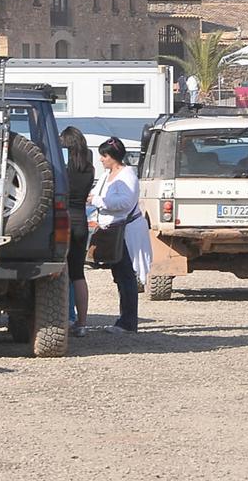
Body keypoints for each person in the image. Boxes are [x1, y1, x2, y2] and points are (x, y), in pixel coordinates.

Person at [89, 136, 151, 333]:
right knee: (120, 275)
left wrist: (97, 201)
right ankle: (125, 318)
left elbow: (124, 202)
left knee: (126, 276)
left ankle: (128, 321)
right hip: (114, 230)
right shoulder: (108, 175)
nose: (101, 159)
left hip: (125, 231)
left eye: (104, 155)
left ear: (112, 157)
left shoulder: (127, 175)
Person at [60, 126, 95, 337]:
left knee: (58, 272)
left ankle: (62, 317)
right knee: (78, 274)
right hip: (81, 220)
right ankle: (81, 323)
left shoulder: (62, 169)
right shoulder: (88, 169)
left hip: (63, 221)